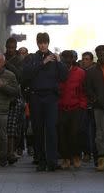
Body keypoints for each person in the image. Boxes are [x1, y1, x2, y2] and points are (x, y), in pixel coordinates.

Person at [23, 32, 68, 172]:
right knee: (37, 130)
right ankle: (41, 161)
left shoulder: (55, 59)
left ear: (48, 43)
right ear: (37, 43)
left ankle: (52, 161)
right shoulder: (32, 58)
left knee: (51, 130)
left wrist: (59, 61)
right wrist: (43, 63)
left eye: (45, 42)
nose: (43, 45)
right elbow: (26, 74)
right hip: (36, 97)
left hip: (51, 98)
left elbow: (64, 76)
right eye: (40, 42)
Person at [57, 50, 87, 169]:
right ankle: (65, 158)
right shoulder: (58, 71)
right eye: (65, 59)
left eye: (70, 59)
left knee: (75, 134)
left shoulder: (80, 73)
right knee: (62, 135)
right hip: (61, 108)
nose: (68, 61)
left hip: (76, 108)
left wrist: (82, 105)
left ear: (73, 60)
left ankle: (76, 156)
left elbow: (83, 90)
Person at [4, 37, 25, 163]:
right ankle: (1, 152)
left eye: (13, 47)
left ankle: (11, 152)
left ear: (16, 47)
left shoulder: (19, 60)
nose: (11, 50)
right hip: (0, 96)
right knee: (1, 127)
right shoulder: (0, 57)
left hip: (14, 96)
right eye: (9, 47)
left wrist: (7, 64)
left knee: (12, 127)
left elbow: (20, 75)